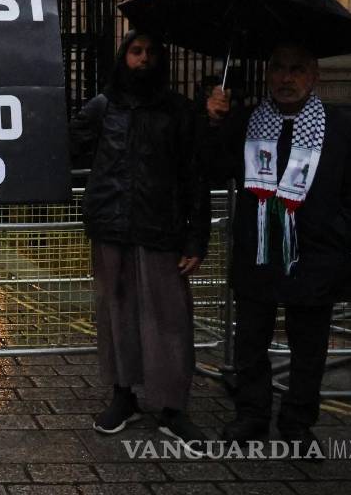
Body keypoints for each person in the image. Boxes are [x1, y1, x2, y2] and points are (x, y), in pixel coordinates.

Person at [205, 43, 351, 448]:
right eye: (277, 68)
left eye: (296, 69)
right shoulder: (246, 121)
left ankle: (298, 422)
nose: (285, 78)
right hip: (259, 253)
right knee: (250, 344)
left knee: (309, 349)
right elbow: (212, 168)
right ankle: (252, 416)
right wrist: (214, 123)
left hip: (315, 256)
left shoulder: (342, 127)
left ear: (314, 75)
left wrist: (338, 233)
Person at [70, 31, 211, 450]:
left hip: (161, 229)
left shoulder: (179, 112)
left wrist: (196, 238)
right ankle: (123, 395)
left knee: (169, 321)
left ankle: (172, 408)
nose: (143, 59)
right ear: (123, 56)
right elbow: (69, 147)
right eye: (136, 51)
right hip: (112, 227)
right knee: (116, 317)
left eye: (151, 52)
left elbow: (196, 178)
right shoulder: (102, 107)